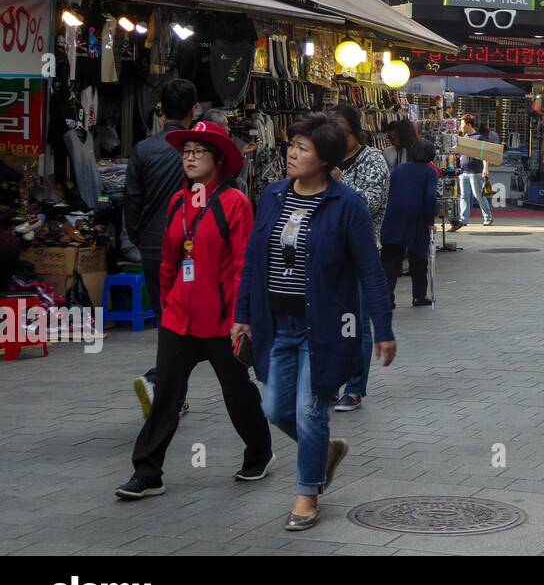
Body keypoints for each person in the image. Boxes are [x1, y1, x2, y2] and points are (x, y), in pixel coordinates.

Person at [231, 113, 396, 531]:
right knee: (274, 407)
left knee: (309, 410)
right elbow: (254, 259)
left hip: (322, 328)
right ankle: (323, 452)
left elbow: (369, 271)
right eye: (292, 145)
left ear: (324, 159)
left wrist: (384, 329)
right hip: (276, 324)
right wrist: (243, 316)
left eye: (302, 148)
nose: (291, 153)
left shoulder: (347, 205)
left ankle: (307, 494)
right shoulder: (272, 195)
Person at [116, 121, 272, 500]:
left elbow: (243, 264)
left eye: (198, 151)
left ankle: (259, 451)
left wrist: (242, 316)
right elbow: (169, 261)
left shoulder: (234, 202)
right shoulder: (177, 203)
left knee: (236, 390)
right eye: (185, 151)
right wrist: (168, 302)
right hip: (179, 319)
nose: (189, 157)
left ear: (218, 159)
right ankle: (148, 472)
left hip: (221, 320)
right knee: (167, 392)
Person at [126, 78, 198, 419]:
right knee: (186, 325)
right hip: (190, 249)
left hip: (154, 248)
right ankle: (160, 384)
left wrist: (139, 238)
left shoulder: (143, 150)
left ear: (161, 109)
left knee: (168, 320)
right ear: (194, 111)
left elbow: (132, 202)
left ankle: (170, 393)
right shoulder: (197, 152)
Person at [330, 103, 391, 413]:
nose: (338, 136)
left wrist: (341, 179)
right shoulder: (326, 158)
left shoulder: (373, 160)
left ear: (355, 131)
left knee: (357, 325)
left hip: (360, 253)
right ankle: (329, 384)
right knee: (330, 324)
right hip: (327, 255)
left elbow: (370, 203)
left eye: (342, 129)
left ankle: (354, 389)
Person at [379, 140, 441, 307]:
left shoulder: (399, 170)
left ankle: (386, 297)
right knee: (418, 258)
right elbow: (430, 197)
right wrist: (430, 221)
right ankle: (419, 295)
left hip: (393, 215)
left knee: (390, 259)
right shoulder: (430, 172)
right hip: (417, 217)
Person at [452, 113, 498, 229]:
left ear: (468, 124)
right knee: (464, 196)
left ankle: (488, 217)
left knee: (479, 196)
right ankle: (463, 219)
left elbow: (485, 155)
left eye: (462, 124)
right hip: (464, 172)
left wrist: (485, 169)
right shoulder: (465, 137)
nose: (460, 126)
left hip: (475, 172)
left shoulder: (479, 137)